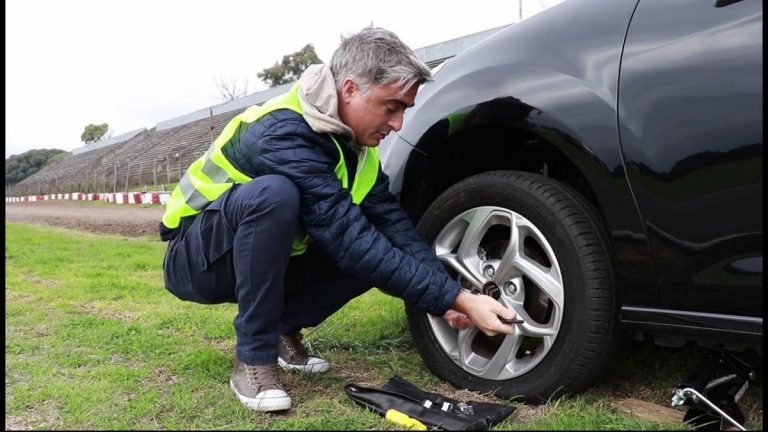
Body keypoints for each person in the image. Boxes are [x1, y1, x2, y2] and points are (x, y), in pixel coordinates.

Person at [159, 26, 518, 413]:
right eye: (391, 106)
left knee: (378, 251)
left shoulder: (355, 146)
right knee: (276, 196)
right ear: (349, 90)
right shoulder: (284, 131)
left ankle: (281, 330)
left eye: (404, 111)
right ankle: (253, 356)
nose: (398, 124)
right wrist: (460, 297)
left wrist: (446, 298)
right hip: (197, 259)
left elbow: (394, 229)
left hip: (258, 255)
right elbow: (347, 238)